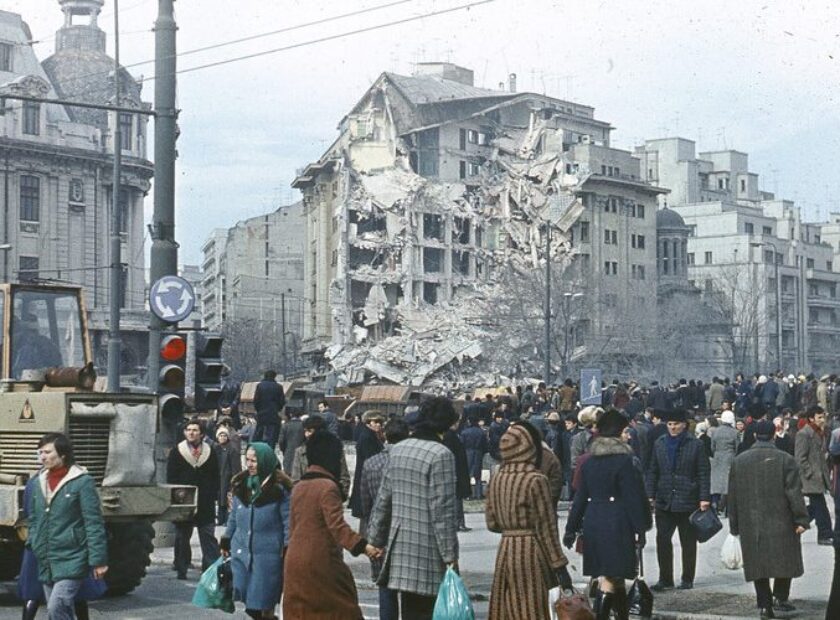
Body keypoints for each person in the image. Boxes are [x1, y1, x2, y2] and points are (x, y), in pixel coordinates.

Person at [368, 397, 460, 620]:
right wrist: (450, 555)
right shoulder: (441, 455)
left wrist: (375, 540)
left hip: (400, 547)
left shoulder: (398, 450)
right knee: (429, 611)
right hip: (429, 548)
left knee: (410, 610)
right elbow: (443, 510)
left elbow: (383, 500)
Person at [283, 430, 382, 619]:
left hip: (294, 560)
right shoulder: (327, 487)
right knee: (343, 608)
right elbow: (337, 526)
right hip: (320, 560)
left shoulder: (299, 487)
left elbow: (292, 527)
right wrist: (364, 546)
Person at [564, 409, 652, 620]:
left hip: (594, 523)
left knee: (616, 577)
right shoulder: (625, 462)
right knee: (611, 578)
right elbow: (633, 499)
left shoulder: (590, 462)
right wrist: (641, 527)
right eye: (625, 431)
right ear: (617, 434)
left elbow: (580, 498)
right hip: (617, 525)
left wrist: (570, 529)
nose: (629, 435)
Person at [485, 422, 572, 620]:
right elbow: (546, 527)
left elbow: (492, 523)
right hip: (531, 551)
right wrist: (559, 565)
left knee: (507, 608)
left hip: (505, 549)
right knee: (532, 607)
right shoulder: (536, 479)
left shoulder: (496, 478)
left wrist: (511, 528)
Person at [728, 419, 810, 619]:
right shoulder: (786, 459)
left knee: (758, 565)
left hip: (751, 521)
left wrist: (734, 525)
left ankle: (765, 606)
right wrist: (801, 519)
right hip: (782, 519)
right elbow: (794, 493)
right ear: (774, 435)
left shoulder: (739, 461)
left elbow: (733, 496)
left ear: (754, 435)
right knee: (785, 559)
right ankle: (780, 597)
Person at [27, 433, 108, 620]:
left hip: (73, 557)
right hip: (46, 558)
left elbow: (93, 523)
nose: (43, 457)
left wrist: (98, 560)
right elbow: (34, 518)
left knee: (56, 607)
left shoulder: (82, 482)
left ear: (63, 455)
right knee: (57, 612)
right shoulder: (38, 481)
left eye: (48, 452)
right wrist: (33, 541)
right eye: (40, 453)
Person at [220, 442, 291, 619]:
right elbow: (234, 516)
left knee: (263, 602)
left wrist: (288, 547)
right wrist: (226, 538)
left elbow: (288, 522)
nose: (249, 464)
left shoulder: (280, 490)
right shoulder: (240, 485)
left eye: (254, 461)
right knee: (246, 598)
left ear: (265, 461)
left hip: (267, 555)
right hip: (241, 551)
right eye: (248, 460)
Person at [646, 409, 711, 591]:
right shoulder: (660, 443)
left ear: (684, 425)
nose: (673, 427)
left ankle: (687, 578)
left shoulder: (696, 444)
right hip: (665, 499)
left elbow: (703, 472)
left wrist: (704, 498)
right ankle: (665, 578)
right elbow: (653, 470)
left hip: (688, 499)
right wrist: (650, 494)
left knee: (688, 542)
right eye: (669, 424)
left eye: (676, 424)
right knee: (662, 540)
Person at [360, 418, 411, 620]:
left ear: (384, 435)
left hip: (380, 532)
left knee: (385, 586)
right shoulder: (409, 463)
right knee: (409, 589)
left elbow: (365, 504)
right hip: (406, 530)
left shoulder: (370, 464)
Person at [166, 418, 220, 579]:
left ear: (201, 434)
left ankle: (210, 569)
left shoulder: (210, 451)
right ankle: (181, 567)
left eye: (195, 430)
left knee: (207, 535)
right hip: (184, 500)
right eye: (188, 430)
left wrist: (213, 494)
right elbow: (171, 476)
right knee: (182, 536)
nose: (191, 433)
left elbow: (215, 475)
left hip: (205, 500)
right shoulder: (177, 451)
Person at [795, 406, 833, 545]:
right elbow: (800, 457)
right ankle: (824, 534)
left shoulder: (820, 432)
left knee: (815, 507)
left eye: (823, 417)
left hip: (819, 476)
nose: (822, 420)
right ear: (811, 418)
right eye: (819, 417)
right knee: (821, 507)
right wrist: (809, 472)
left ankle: (797, 524)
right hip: (811, 477)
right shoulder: (804, 434)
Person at [290, 415, 351, 497]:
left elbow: (344, 477)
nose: (307, 434)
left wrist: (339, 496)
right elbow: (296, 480)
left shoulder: (335, 450)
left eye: (310, 431)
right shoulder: (300, 452)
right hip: (307, 497)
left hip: (331, 496)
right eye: (305, 431)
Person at [350, 410, 385, 524]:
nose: (379, 424)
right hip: (367, 479)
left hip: (364, 477)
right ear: (368, 422)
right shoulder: (367, 437)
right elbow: (371, 460)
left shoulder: (369, 435)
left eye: (380, 422)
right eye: (376, 421)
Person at [12, 313, 63, 378]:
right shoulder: (10, 348)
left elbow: (57, 367)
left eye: (33, 331)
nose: (31, 336)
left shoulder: (45, 345)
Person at [709, 409, 738, 515]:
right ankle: (727, 506)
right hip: (730, 457)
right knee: (728, 482)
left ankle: (715, 503)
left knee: (716, 482)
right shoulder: (735, 432)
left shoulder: (715, 431)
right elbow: (737, 446)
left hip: (717, 457)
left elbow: (712, 446)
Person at [213, 426, 242, 525]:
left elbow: (236, 467)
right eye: (220, 435)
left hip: (227, 477)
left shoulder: (232, 449)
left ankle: (227, 520)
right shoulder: (216, 449)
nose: (222, 437)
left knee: (228, 498)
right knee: (220, 498)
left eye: (224, 435)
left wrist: (235, 479)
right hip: (218, 477)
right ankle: (220, 519)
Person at [253, 370, 285, 449]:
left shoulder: (260, 386)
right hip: (273, 414)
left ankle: (256, 450)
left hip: (261, 414)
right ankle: (270, 451)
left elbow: (256, 400)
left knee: (258, 434)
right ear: (274, 376)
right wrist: (277, 409)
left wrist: (258, 410)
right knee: (271, 436)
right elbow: (282, 401)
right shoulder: (279, 387)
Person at [460, 415, 488, 499]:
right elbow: (485, 445)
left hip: (468, 452)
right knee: (478, 474)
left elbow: (461, 444)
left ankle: (468, 494)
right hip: (478, 452)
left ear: (469, 421)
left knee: (467, 474)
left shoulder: (464, 432)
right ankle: (478, 494)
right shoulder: (481, 432)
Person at [278, 409, 305, 474]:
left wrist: (283, 450)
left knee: (288, 474)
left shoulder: (285, 425)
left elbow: (281, 441)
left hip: (288, 453)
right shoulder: (303, 425)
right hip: (301, 453)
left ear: (290, 415)